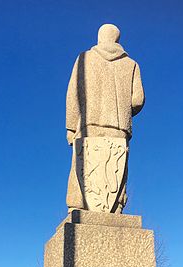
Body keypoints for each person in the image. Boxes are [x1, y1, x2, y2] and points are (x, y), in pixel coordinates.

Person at [65, 24, 145, 211]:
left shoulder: (85, 59)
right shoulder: (131, 64)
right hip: (119, 127)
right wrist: (124, 109)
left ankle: (76, 206)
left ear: (100, 37)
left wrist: (70, 126)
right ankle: (116, 206)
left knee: (81, 166)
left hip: (88, 124)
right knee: (117, 168)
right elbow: (138, 99)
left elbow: (73, 94)